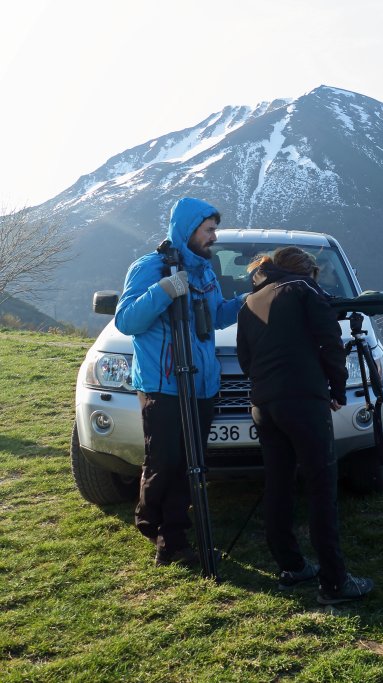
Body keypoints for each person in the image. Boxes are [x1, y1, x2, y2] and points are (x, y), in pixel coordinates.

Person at [236, 246, 373, 604]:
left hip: (264, 404)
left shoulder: (250, 302)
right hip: (303, 401)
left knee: (278, 483)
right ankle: (334, 582)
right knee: (321, 487)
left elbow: (245, 359)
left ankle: (291, 566)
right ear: (308, 272)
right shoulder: (304, 290)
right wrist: (337, 388)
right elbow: (331, 343)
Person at [114, 197, 246, 568]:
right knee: (165, 461)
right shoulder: (149, 268)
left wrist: (245, 303)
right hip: (163, 386)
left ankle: (173, 539)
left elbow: (216, 317)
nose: (213, 237)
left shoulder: (204, 272)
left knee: (191, 464)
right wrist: (165, 290)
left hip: (203, 384)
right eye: (208, 230)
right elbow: (127, 321)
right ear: (188, 231)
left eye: (213, 230)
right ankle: (150, 521)